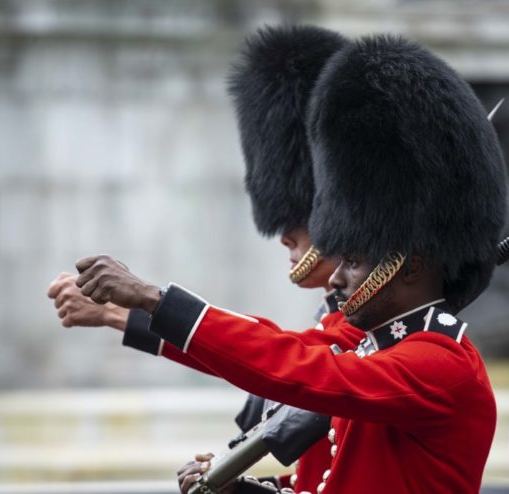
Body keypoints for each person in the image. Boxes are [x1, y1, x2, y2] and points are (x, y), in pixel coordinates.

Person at [73, 33, 507, 493]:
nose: (338, 275)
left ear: (411, 267)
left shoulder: (440, 367)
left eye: (354, 260)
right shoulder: (378, 350)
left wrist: (151, 301)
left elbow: (296, 366)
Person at [48, 25, 363, 493]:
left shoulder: (396, 345)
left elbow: (276, 353)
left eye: (302, 213)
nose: (284, 236)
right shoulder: (337, 322)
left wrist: (139, 305)